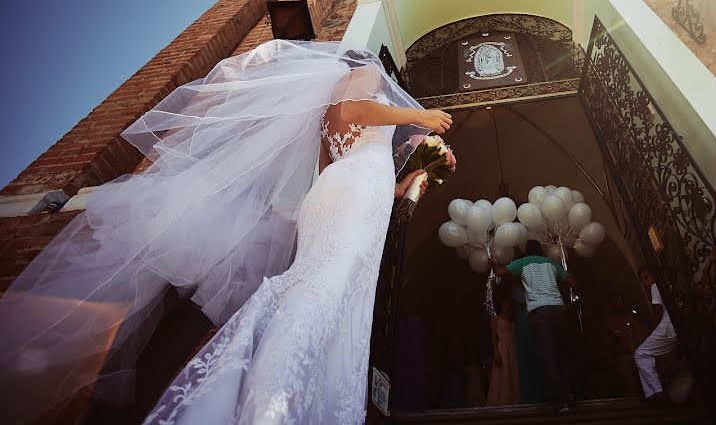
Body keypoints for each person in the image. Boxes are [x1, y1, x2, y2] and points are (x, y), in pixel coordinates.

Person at [0, 40, 452, 425]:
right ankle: (275, 397)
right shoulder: (366, 75)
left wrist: (406, 181)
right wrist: (423, 120)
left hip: (339, 191)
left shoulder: (323, 117)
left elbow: (329, 168)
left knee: (320, 282)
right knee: (333, 288)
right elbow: (359, 109)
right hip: (355, 192)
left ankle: (274, 382)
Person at [490, 240, 576, 416]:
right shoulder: (551, 262)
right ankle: (569, 394)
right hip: (558, 308)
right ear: (541, 251)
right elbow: (572, 282)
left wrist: (493, 264)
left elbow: (500, 272)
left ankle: (560, 402)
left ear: (527, 252)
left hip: (539, 312)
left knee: (548, 354)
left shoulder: (523, 262)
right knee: (563, 353)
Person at [633, 267, 677, 405]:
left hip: (668, 327)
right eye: (642, 281)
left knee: (640, 354)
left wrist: (650, 333)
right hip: (673, 327)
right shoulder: (669, 286)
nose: (646, 283)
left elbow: (657, 312)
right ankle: (652, 394)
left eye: (646, 278)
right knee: (645, 354)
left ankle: (658, 393)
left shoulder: (656, 286)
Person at [486, 299, 520, 406]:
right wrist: (495, 351)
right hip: (503, 347)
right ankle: (502, 400)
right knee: (503, 372)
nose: (507, 306)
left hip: (513, 346)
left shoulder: (512, 319)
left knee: (513, 372)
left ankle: (514, 399)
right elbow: (493, 336)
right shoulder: (496, 318)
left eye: (508, 304)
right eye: (505, 304)